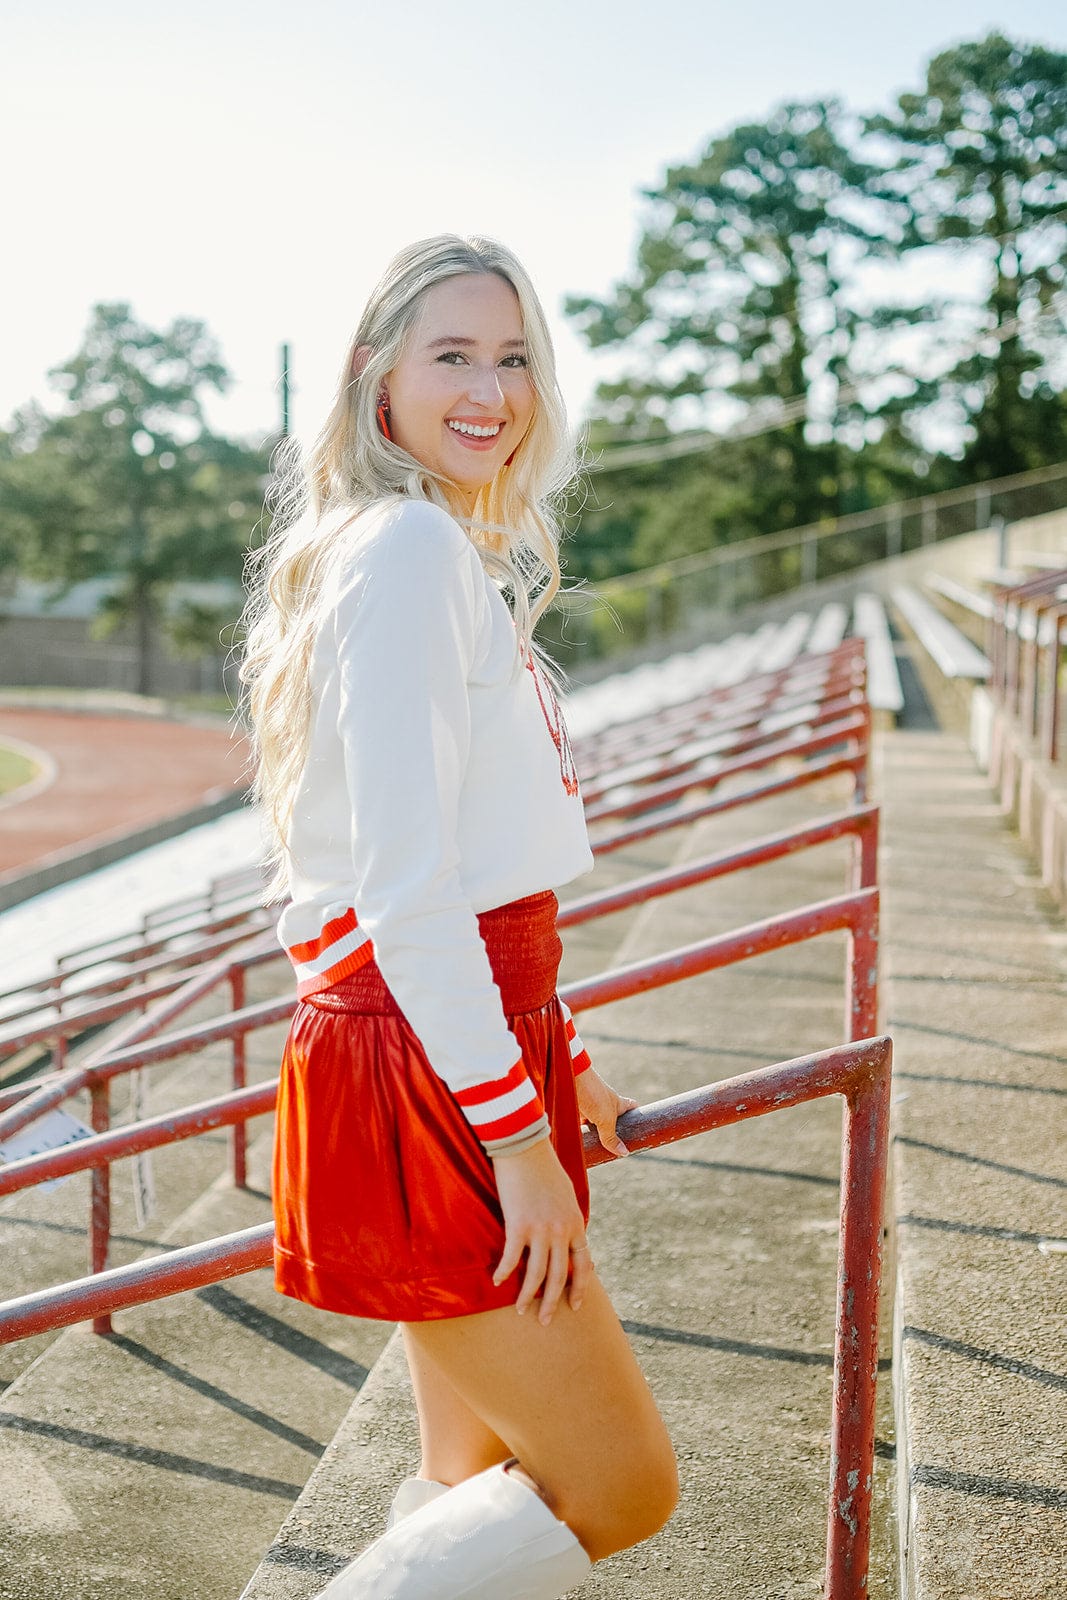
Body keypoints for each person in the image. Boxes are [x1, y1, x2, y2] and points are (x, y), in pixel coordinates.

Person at [240, 234, 677, 1598]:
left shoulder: (418, 545)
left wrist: (567, 1041)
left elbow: (471, 866)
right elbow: (406, 890)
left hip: (461, 1031)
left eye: (514, 358)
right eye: (452, 355)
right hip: (431, 1060)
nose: (490, 389)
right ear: (377, 376)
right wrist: (520, 1138)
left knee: (470, 1471)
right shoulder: (413, 547)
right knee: (622, 1484)